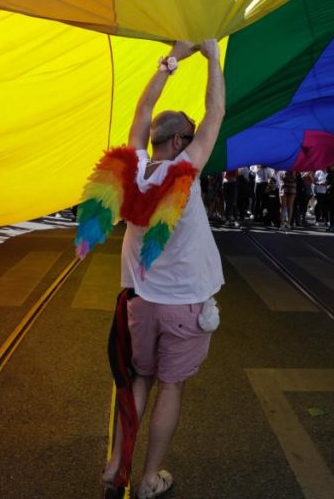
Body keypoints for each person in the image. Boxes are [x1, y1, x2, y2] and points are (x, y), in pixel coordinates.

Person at [101, 39, 225, 499]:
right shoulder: (185, 176)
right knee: (170, 387)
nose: (195, 143)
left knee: (138, 380)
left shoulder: (131, 169)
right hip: (184, 307)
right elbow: (217, 114)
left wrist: (171, 59)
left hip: (141, 306)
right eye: (189, 138)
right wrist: (211, 57)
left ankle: (118, 465)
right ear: (179, 143)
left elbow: (142, 107)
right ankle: (149, 479)